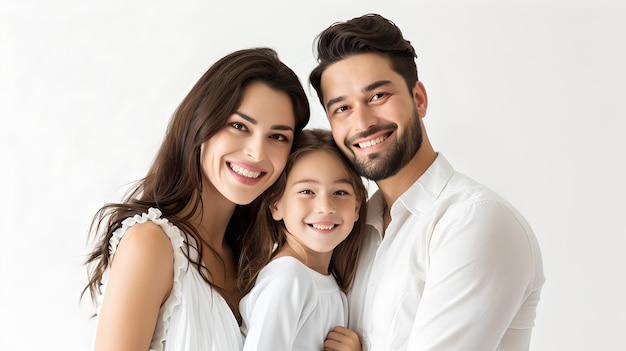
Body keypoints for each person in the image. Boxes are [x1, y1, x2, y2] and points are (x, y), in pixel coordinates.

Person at [309, 13, 545, 350]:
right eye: (342, 108)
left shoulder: (475, 220)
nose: (362, 122)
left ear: (419, 99)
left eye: (377, 96)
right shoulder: (352, 230)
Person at [81, 47, 310, 351]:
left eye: (277, 136)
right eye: (239, 126)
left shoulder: (257, 261)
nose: (257, 152)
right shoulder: (151, 245)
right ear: (201, 122)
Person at [237, 128, 367, 351]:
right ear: (276, 204)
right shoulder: (288, 278)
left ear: (356, 206)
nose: (325, 207)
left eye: (340, 192)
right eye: (307, 191)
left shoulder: (328, 281)